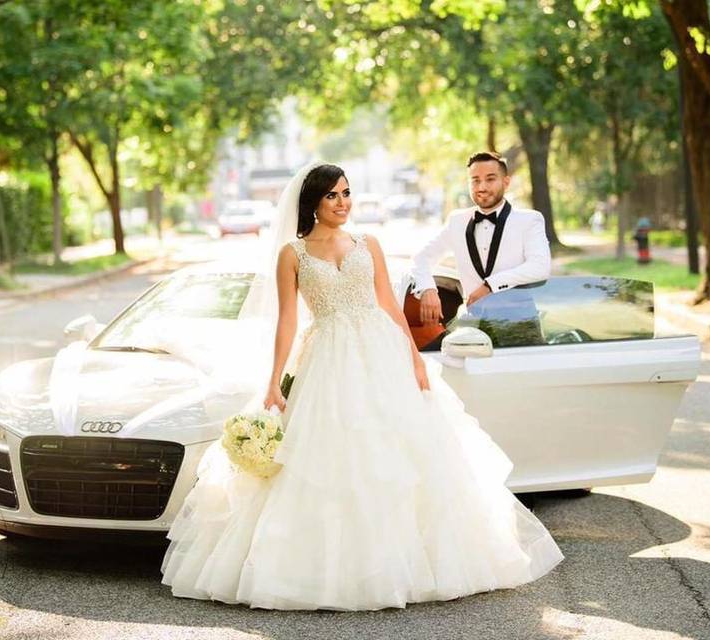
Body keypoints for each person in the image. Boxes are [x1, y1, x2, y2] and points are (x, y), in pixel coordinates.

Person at [160, 163, 563, 611]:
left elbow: (389, 304)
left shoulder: (368, 243)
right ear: (312, 201)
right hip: (326, 357)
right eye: (332, 195)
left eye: (347, 193)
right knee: (326, 456)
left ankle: (412, 562)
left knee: (401, 453)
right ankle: (325, 569)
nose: (343, 202)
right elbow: (288, 321)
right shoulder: (292, 254)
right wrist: (273, 382)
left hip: (381, 353)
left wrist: (414, 359)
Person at [410, 151, 551, 328]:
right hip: (474, 325)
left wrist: (490, 285)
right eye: (475, 180)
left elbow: (540, 267)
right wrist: (427, 289)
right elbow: (420, 258)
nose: (482, 187)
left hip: (520, 323)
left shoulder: (529, 220)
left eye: (490, 179)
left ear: (506, 182)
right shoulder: (457, 221)